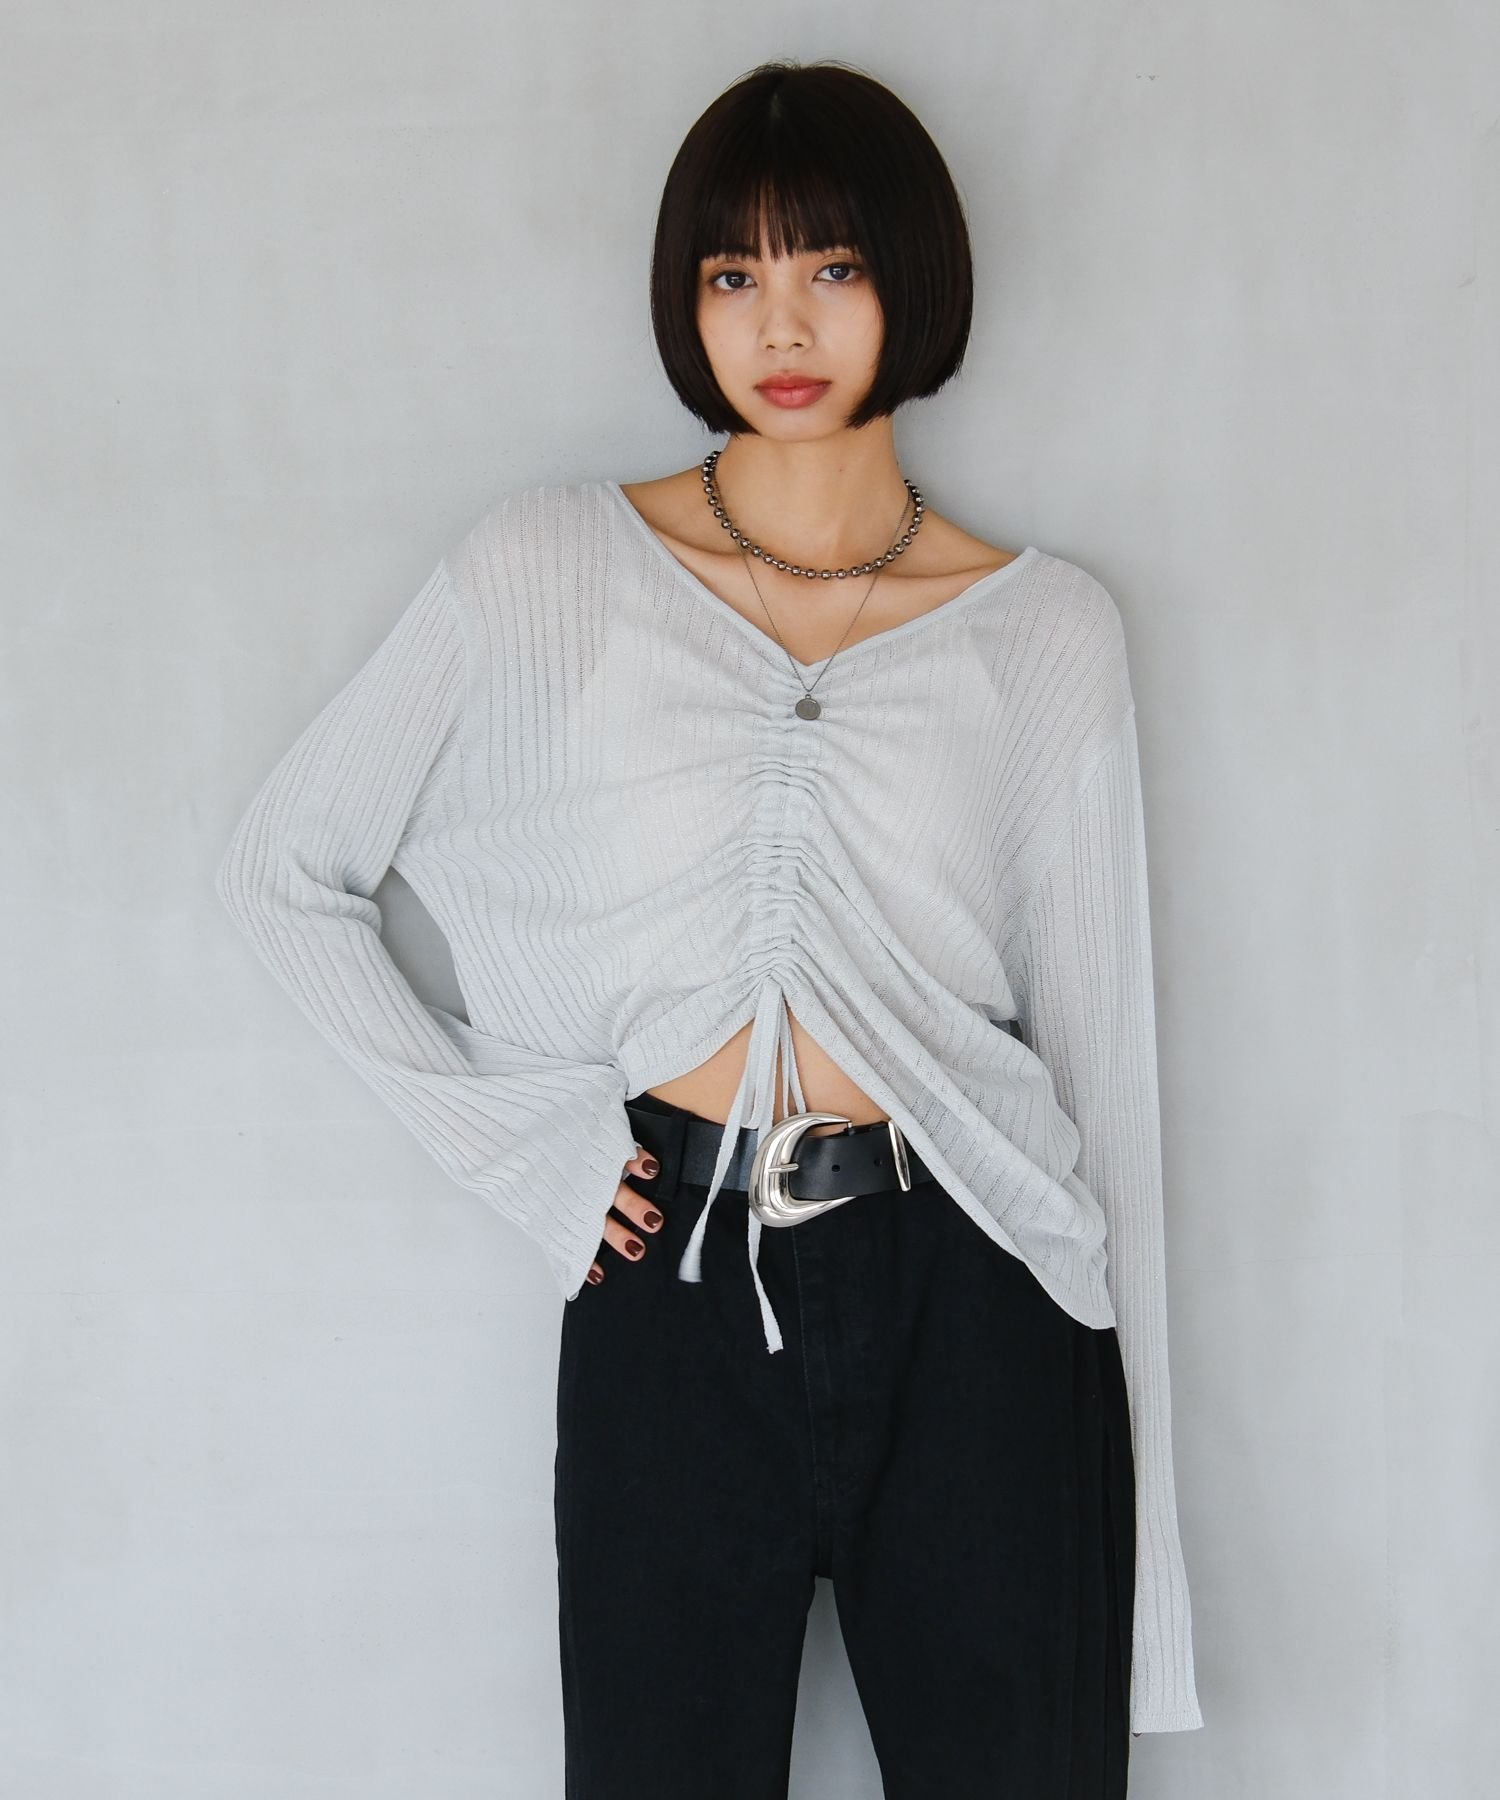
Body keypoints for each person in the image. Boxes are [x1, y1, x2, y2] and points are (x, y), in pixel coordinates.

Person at [216, 55, 1204, 1799]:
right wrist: (529, 1153)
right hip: (667, 1284)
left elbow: (1107, 1089)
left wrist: (1152, 1597)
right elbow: (284, 871)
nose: (781, 322)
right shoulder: (549, 567)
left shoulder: (1046, 635)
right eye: (732, 272)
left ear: (913, 277)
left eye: (833, 263)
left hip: (982, 1295)